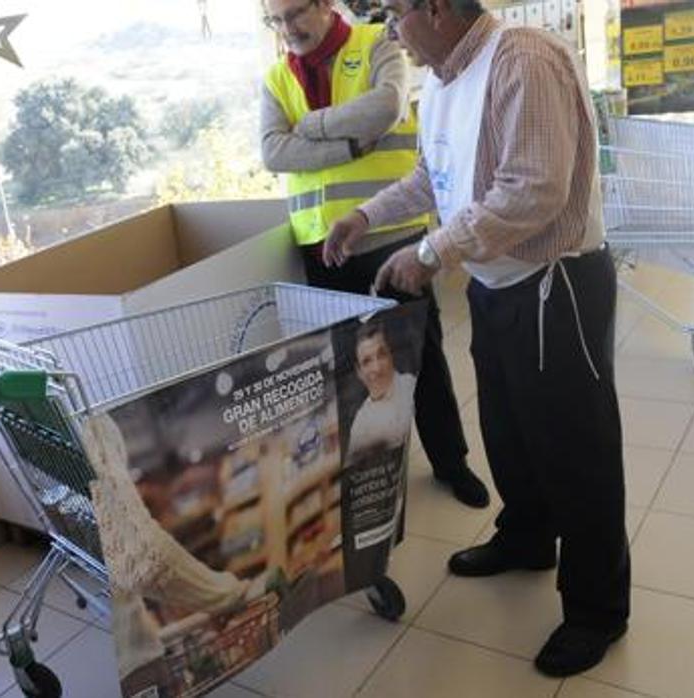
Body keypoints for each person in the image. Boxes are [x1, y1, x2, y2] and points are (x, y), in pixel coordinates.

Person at [322, 0, 629, 676]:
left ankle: (597, 609)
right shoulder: (441, 78)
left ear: (434, 8)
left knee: (577, 451)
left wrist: (431, 253)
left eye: (394, 12)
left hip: (557, 284)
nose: (389, 29)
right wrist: (367, 215)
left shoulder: (521, 58)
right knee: (509, 427)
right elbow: (432, 177)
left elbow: (534, 189)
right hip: (497, 283)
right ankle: (526, 536)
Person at [259, 0, 489, 509]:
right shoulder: (276, 77)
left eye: (295, 14)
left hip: (390, 230)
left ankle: (452, 463)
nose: (286, 29)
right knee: (351, 365)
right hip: (322, 244)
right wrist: (347, 146)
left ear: (323, 4)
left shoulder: (378, 42)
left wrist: (311, 126)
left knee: (420, 355)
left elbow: (385, 107)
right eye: (274, 21)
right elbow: (273, 151)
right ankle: (372, 477)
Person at [347, 323, 413, 456]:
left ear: (391, 354)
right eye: (367, 361)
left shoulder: (411, 384)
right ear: (359, 372)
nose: (377, 368)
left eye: (382, 354)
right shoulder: (360, 424)